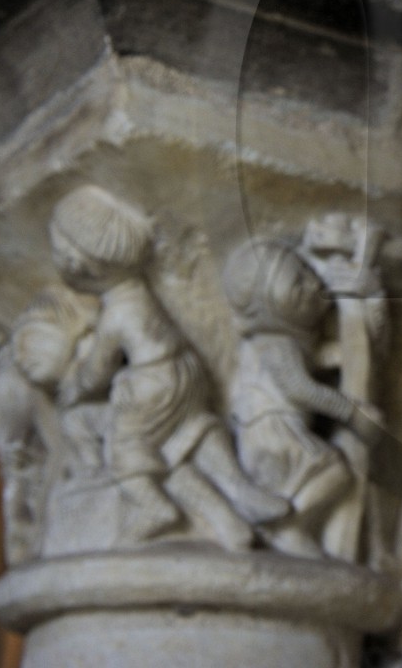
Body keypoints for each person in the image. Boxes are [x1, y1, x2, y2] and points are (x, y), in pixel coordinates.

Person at [50, 185, 288, 547]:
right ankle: (236, 505)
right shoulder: (141, 292)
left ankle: (151, 506)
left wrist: (75, 388)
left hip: (150, 382)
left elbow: (99, 369)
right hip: (185, 368)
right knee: (191, 432)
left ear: (77, 265)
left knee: (128, 451)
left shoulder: (114, 313)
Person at [222, 238, 383, 560]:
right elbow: (299, 388)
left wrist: (368, 308)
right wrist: (351, 413)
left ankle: (287, 526)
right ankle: (288, 524)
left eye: (309, 272)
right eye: (299, 286)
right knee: (336, 471)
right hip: (277, 438)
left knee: (331, 474)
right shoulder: (278, 345)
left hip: (266, 439)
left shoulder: (274, 341)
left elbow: (336, 356)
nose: (314, 284)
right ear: (270, 308)